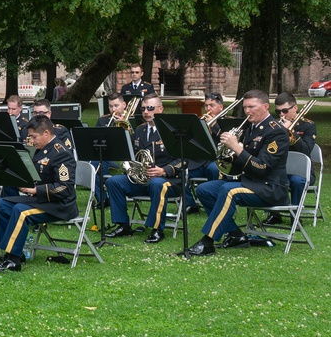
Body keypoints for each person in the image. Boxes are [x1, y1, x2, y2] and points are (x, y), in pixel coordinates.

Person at [189, 89, 289, 255]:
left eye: (252, 107)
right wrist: (228, 155)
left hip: (270, 187)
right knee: (204, 189)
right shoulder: (250, 127)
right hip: (250, 181)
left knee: (229, 191)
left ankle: (207, 241)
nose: (247, 111)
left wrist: (236, 147)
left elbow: (262, 167)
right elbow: (242, 163)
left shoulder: (276, 131)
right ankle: (235, 235)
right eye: (245, 107)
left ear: (265, 106)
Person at [0, 115, 77, 272]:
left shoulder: (61, 153)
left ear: (46, 133)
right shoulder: (42, 149)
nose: (31, 141)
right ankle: (13, 250)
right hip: (42, 200)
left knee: (20, 211)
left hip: (59, 205)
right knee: (0, 204)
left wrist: (35, 190)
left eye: (34, 137)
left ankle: (13, 258)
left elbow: (65, 188)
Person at [103, 94, 183, 243]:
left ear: (161, 109)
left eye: (150, 108)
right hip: (143, 180)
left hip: (169, 180)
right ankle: (123, 225)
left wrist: (164, 170)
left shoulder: (172, 130)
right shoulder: (139, 130)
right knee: (113, 182)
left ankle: (157, 229)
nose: (146, 112)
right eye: (144, 108)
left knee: (156, 183)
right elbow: (133, 155)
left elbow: (184, 160)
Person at [265, 92, 316, 225]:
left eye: (285, 111)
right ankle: (274, 214)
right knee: (268, 177)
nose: (281, 115)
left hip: (301, 172)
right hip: (280, 170)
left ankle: (296, 216)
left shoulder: (308, 126)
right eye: (278, 111)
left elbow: (306, 150)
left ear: (295, 108)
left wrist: (292, 134)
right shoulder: (274, 125)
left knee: (298, 181)